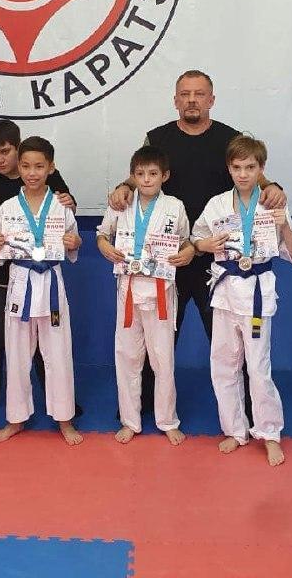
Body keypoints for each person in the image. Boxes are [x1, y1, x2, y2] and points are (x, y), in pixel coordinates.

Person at [109, 70, 286, 413]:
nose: (192, 100)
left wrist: (273, 187)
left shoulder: (229, 137)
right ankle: (140, 405)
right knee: (156, 338)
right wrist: (123, 187)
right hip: (167, 256)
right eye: (185, 94)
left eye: (199, 94)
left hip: (216, 257)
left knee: (232, 342)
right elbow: (139, 172)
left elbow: (254, 174)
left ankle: (251, 408)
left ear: (211, 100)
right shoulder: (157, 137)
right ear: (175, 100)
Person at [191, 135, 292, 465]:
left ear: (261, 169)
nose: (243, 174)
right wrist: (205, 245)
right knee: (223, 365)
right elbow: (196, 240)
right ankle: (235, 430)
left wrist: (284, 228)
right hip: (225, 293)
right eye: (237, 167)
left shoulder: (273, 205)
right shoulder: (216, 204)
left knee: (257, 368)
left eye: (250, 167)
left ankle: (269, 433)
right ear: (229, 168)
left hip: (256, 294)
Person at [0, 119, 77, 425]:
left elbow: (65, 216)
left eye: (6, 151)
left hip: (42, 277)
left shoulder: (46, 176)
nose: (0, 159)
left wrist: (71, 209)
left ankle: (61, 406)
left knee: (47, 346)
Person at [0, 137, 83, 446]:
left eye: (39, 166)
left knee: (58, 353)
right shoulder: (9, 207)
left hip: (51, 284)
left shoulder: (62, 206)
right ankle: (16, 418)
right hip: (20, 284)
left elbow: (74, 242)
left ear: (51, 168)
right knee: (16, 354)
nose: (32, 173)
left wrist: (74, 243)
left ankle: (64, 419)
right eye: (26, 166)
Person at [97, 146, 192, 445]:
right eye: (140, 174)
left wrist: (188, 253)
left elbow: (186, 241)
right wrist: (105, 247)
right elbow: (102, 235)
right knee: (127, 357)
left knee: (163, 359)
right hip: (128, 289)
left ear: (165, 175)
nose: (147, 179)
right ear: (132, 176)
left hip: (161, 290)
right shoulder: (121, 203)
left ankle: (168, 420)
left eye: (153, 173)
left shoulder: (175, 206)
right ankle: (130, 421)